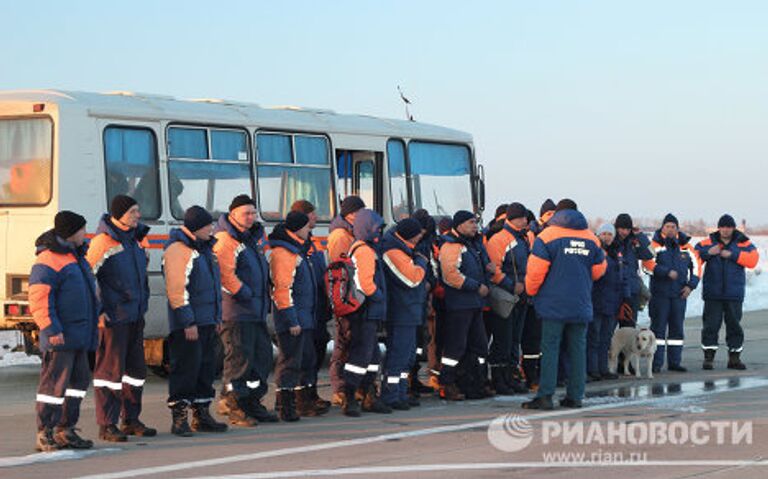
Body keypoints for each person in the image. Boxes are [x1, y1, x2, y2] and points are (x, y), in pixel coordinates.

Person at [522, 199, 606, 410]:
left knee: (550, 348)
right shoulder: (591, 238)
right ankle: (575, 396)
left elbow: (535, 272)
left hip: (553, 304)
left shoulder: (547, 236)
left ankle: (546, 395)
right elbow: (599, 270)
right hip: (580, 303)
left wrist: (531, 292)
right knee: (578, 349)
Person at [87, 195, 156, 442]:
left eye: (137, 210)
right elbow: (87, 278)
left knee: (136, 372)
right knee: (109, 373)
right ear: (119, 215)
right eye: (133, 211)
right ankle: (107, 424)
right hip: (114, 320)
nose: (138, 215)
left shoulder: (137, 241)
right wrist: (98, 311)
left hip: (135, 316)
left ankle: (131, 419)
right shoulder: (102, 243)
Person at [29, 211, 99, 451]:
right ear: (71, 232)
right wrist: (51, 328)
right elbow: (39, 299)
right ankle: (44, 431)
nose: (85, 233)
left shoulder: (76, 257)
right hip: (61, 336)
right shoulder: (48, 259)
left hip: (79, 335)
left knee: (78, 383)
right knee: (53, 388)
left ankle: (65, 429)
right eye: (82, 229)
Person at [163, 206, 228, 436]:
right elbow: (177, 291)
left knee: (205, 369)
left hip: (207, 321)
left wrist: (216, 317)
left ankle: (202, 414)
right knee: (185, 369)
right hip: (189, 325)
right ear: (195, 228)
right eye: (207, 226)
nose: (211, 229)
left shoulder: (205, 250)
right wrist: (187, 322)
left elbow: (214, 287)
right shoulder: (179, 250)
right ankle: (179, 418)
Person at [213, 195, 275, 426]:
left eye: (253, 212)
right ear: (233, 215)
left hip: (255, 310)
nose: (251, 217)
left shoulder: (253, 238)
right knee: (238, 359)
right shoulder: (226, 239)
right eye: (245, 213)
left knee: (261, 357)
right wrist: (244, 292)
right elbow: (225, 274)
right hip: (236, 311)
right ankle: (232, 402)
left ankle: (251, 401)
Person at [269, 211, 327, 421]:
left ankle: (303, 401)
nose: (309, 230)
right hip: (293, 320)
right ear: (297, 229)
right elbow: (282, 290)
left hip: (305, 318)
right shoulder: (285, 253)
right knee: (290, 362)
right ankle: (286, 407)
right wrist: (292, 320)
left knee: (306, 360)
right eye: (306, 227)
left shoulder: (297, 250)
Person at [340, 208, 392, 416]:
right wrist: (379, 297)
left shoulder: (363, 248)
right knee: (361, 356)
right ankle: (350, 395)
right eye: (377, 228)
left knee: (371, 356)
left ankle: (368, 394)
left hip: (367, 311)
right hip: (365, 311)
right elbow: (366, 284)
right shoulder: (365, 251)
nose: (379, 232)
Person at [437, 211, 491, 401]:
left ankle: (475, 382)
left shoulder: (472, 245)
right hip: (460, 305)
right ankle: (447, 383)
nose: (475, 226)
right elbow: (450, 275)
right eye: (471, 223)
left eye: (476, 222)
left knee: (479, 346)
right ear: (459, 225)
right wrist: (476, 287)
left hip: (474, 304)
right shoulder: (452, 246)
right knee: (455, 347)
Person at [695, 214, 760, 370]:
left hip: (734, 294)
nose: (725, 230)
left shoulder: (743, 242)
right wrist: (709, 252)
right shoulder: (708, 242)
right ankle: (708, 359)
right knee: (710, 326)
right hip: (713, 294)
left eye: (728, 227)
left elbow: (753, 260)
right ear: (719, 228)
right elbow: (694, 256)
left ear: (733, 228)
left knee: (734, 327)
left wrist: (733, 255)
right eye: (722, 227)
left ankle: (734, 359)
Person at [642, 214, 701, 373]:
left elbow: (697, 268)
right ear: (662, 228)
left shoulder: (687, 247)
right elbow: (646, 265)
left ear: (677, 229)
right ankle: (655, 363)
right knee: (658, 331)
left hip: (679, 295)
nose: (670, 229)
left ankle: (675, 362)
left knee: (676, 331)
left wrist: (690, 286)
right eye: (667, 226)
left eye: (673, 227)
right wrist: (665, 272)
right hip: (660, 295)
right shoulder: (653, 245)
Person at [381, 218, 429, 409]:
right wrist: (421, 262)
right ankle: (390, 395)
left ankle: (400, 392)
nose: (420, 238)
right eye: (418, 234)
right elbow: (413, 279)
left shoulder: (403, 249)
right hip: (401, 311)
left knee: (407, 355)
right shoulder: (394, 252)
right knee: (398, 354)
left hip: (409, 309)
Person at [485, 202, 531, 394]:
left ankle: (510, 376)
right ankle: (499, 379)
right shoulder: (500, 239)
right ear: (512, 219)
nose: (525, 220)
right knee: (502, 340)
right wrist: (512, 285)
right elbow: (493, 269)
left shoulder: (523, 238)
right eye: (521, 217)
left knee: (514, 340)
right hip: (506, 296)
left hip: (521, 296)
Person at [291, 199, 332, 412]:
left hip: (317, 310)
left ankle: (311, 393)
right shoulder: (294, 247)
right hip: (304, 311)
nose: (316, 218)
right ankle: (300, 399)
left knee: (315, 352)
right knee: (303, 357)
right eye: (312, 214)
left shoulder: (312, 243)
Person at [327, 195, 367, 406]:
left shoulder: (349, 232)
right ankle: (339, 387)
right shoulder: (341, 236)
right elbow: (341, 268)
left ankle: (351, 387)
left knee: (349, 342)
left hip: (351, 296)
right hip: (345, 297)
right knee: (342, 343)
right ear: (351, 214)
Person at [587, 223, 630, 381]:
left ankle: (603, 368)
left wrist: (626, 296)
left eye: (609, 234)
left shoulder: (617, 254)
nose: (607, 237)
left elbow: (624, 276)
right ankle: (592, 369)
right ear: (598, 235)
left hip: (613, 302)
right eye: (604, 234)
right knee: (594, 337)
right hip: (596, 300)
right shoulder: (595, 252)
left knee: (606, 338)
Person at [613, 213, 654, 326]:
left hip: (632, 292)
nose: (624, 232)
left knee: (629, 330)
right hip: (613, 291)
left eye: (627, 229)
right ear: (616, 228)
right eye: (622, 229)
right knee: (608, 330)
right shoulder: (611, 241)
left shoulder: (634, 242)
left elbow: (650, 254)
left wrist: (640, 235)